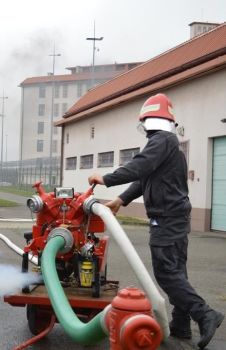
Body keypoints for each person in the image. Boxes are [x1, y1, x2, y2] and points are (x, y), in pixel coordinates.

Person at [88, 93, 224, 349]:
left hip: (167, 219)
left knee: (167, 273)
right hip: (175, 217)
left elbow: (140, 166)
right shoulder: (169, 144)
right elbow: (145, 178)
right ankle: (181, 326)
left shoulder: (161, 141)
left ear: (150, 120)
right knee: (177, 272)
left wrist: (106, 178)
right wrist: (121, 199)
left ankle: (205, 314)